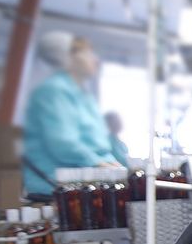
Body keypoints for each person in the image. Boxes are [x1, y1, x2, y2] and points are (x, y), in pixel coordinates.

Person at [22, 31, 119, 199]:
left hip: (84, 185)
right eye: (87, 53)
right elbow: (63, 143)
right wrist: (99, 163)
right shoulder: (54, 91)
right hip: (56, 188)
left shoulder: (84, 96)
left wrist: (116, 166)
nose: (95, 59)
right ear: (67, 57)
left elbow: (99, 144)